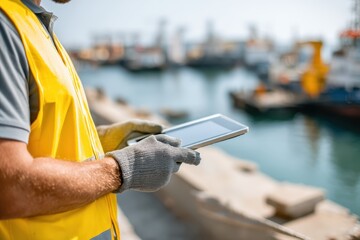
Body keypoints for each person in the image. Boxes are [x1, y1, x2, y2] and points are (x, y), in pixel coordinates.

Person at [0, 0, 201, 239]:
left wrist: (101, 140)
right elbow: (9, 186)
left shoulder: (34, 25)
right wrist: (123, 168)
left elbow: (41, 137)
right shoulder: (6, 27)